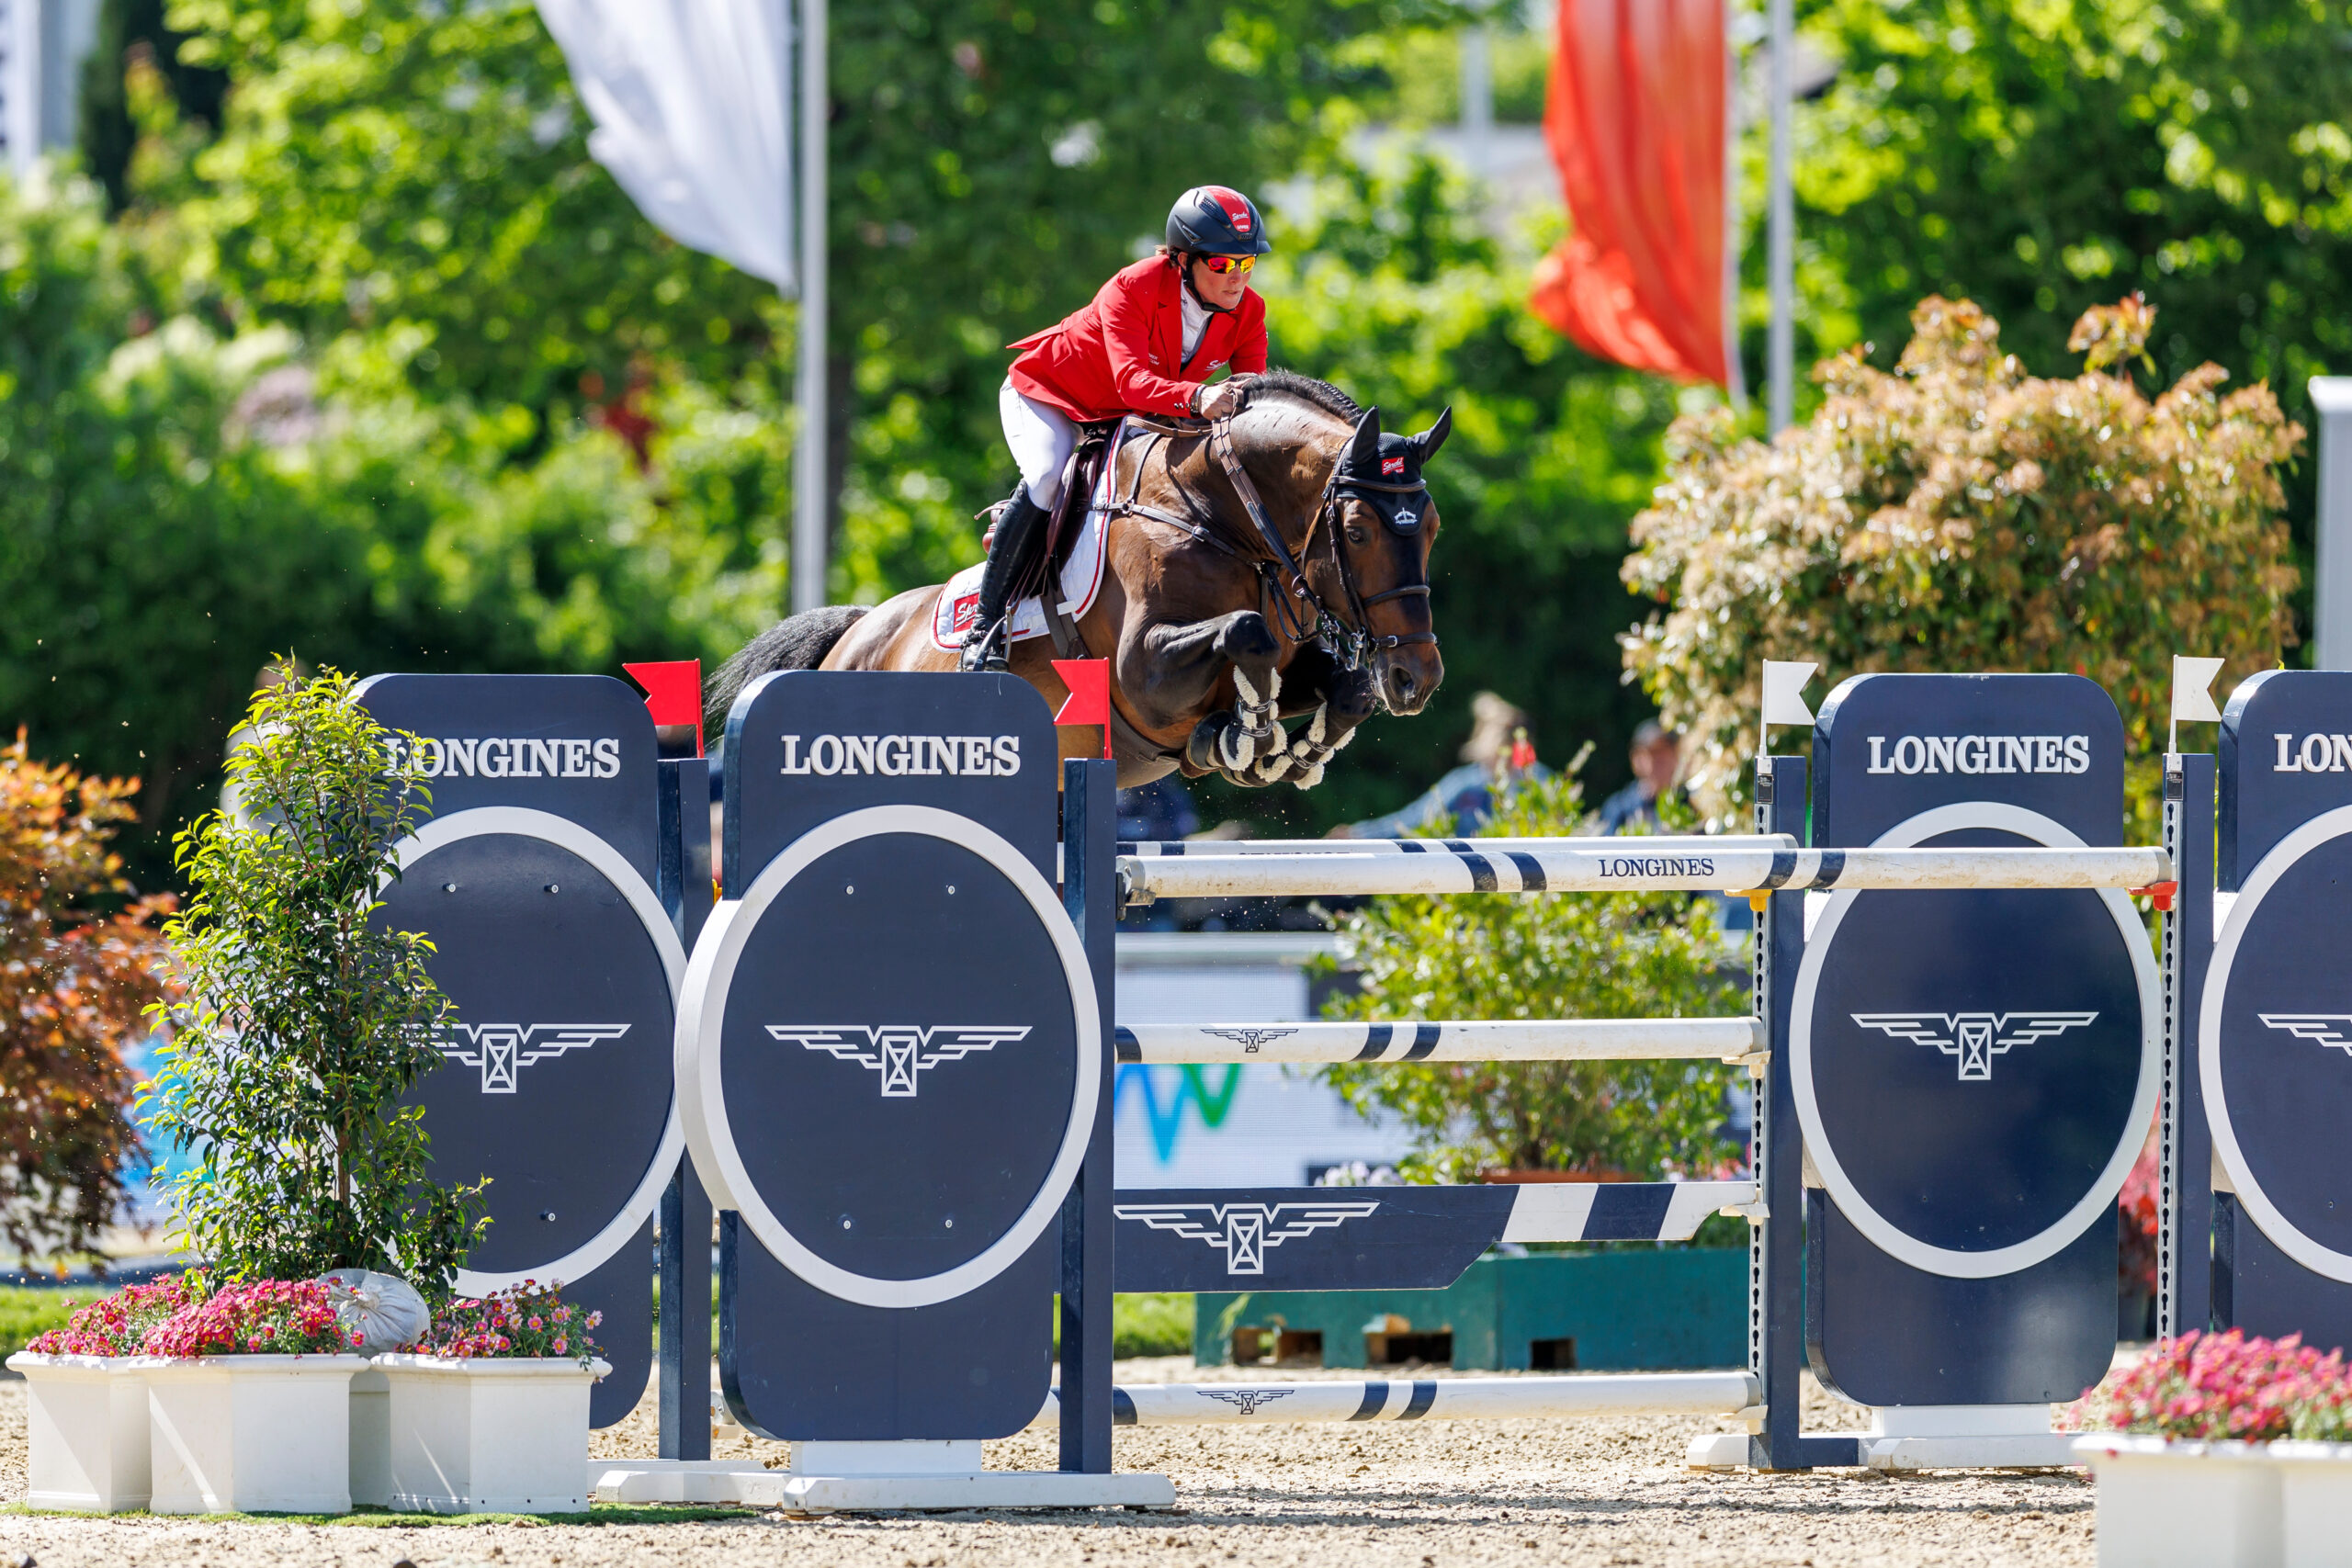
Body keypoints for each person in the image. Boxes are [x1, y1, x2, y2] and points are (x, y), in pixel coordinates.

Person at [960, 186, 1274, 671]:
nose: (1236, 279)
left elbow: (1249, 398)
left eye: (1246, 264)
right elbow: (1130, 383)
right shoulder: (1133, 287)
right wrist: (1198, 397)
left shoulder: (1250, 313)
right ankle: (985, 631)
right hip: (1050, 396)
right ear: (1185, 259)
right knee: (1047, 474)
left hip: (1126, 416)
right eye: (1222, 265)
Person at [1337, 693, 1545, 839]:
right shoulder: (1467, 785)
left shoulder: (1539, 785)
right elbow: (1415, 819)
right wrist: (1358, 836)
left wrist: (1358, 835)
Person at [1597, 720, 1681, 835]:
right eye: (1654, 752)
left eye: (1666, 751)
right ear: (1636, 759)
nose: (1661, 760)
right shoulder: (1619, 808)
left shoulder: (1692, 803)